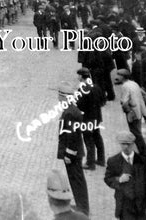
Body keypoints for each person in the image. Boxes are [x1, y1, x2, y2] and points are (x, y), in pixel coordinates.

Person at [104, 131, 146, 220]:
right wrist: (119, 179)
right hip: (124, 206)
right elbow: (108, 179)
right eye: (123, 144)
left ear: (133, 144)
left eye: (128, 144)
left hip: (141, 206)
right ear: (120, 144)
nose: (126, 147)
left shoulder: (142, 161)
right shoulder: (113, 161)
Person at [56, 81, 89, 216]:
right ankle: (82, 205)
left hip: (72, 154)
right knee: (77, 180)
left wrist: (69, 154)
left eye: (60, 96)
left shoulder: (69, 113)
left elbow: (72, 136)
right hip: (75, 152)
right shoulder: (72, 109)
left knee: (76, 180)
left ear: (64, 97)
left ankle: (83, 208)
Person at [116, 69, 146, 160]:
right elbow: (144, 94)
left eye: (119, 75)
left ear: (123, 77)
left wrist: (127, 109)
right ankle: (142, 153)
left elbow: (124, 101)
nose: (117, 77)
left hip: (132, 113)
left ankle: (144, 155)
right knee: (137, 133)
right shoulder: (134, 83)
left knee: (136, 134)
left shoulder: (125, 86)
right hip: (138, 111)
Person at [76, 68, 106, 170]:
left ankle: (90, 163)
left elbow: (80, 104)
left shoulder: (83, 88)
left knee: (88, 140)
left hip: (87, 118)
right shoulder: (96, 87)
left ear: (81, 76)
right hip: (97, 117)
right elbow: (103, 101)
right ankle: (101, 159)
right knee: (97, 137)